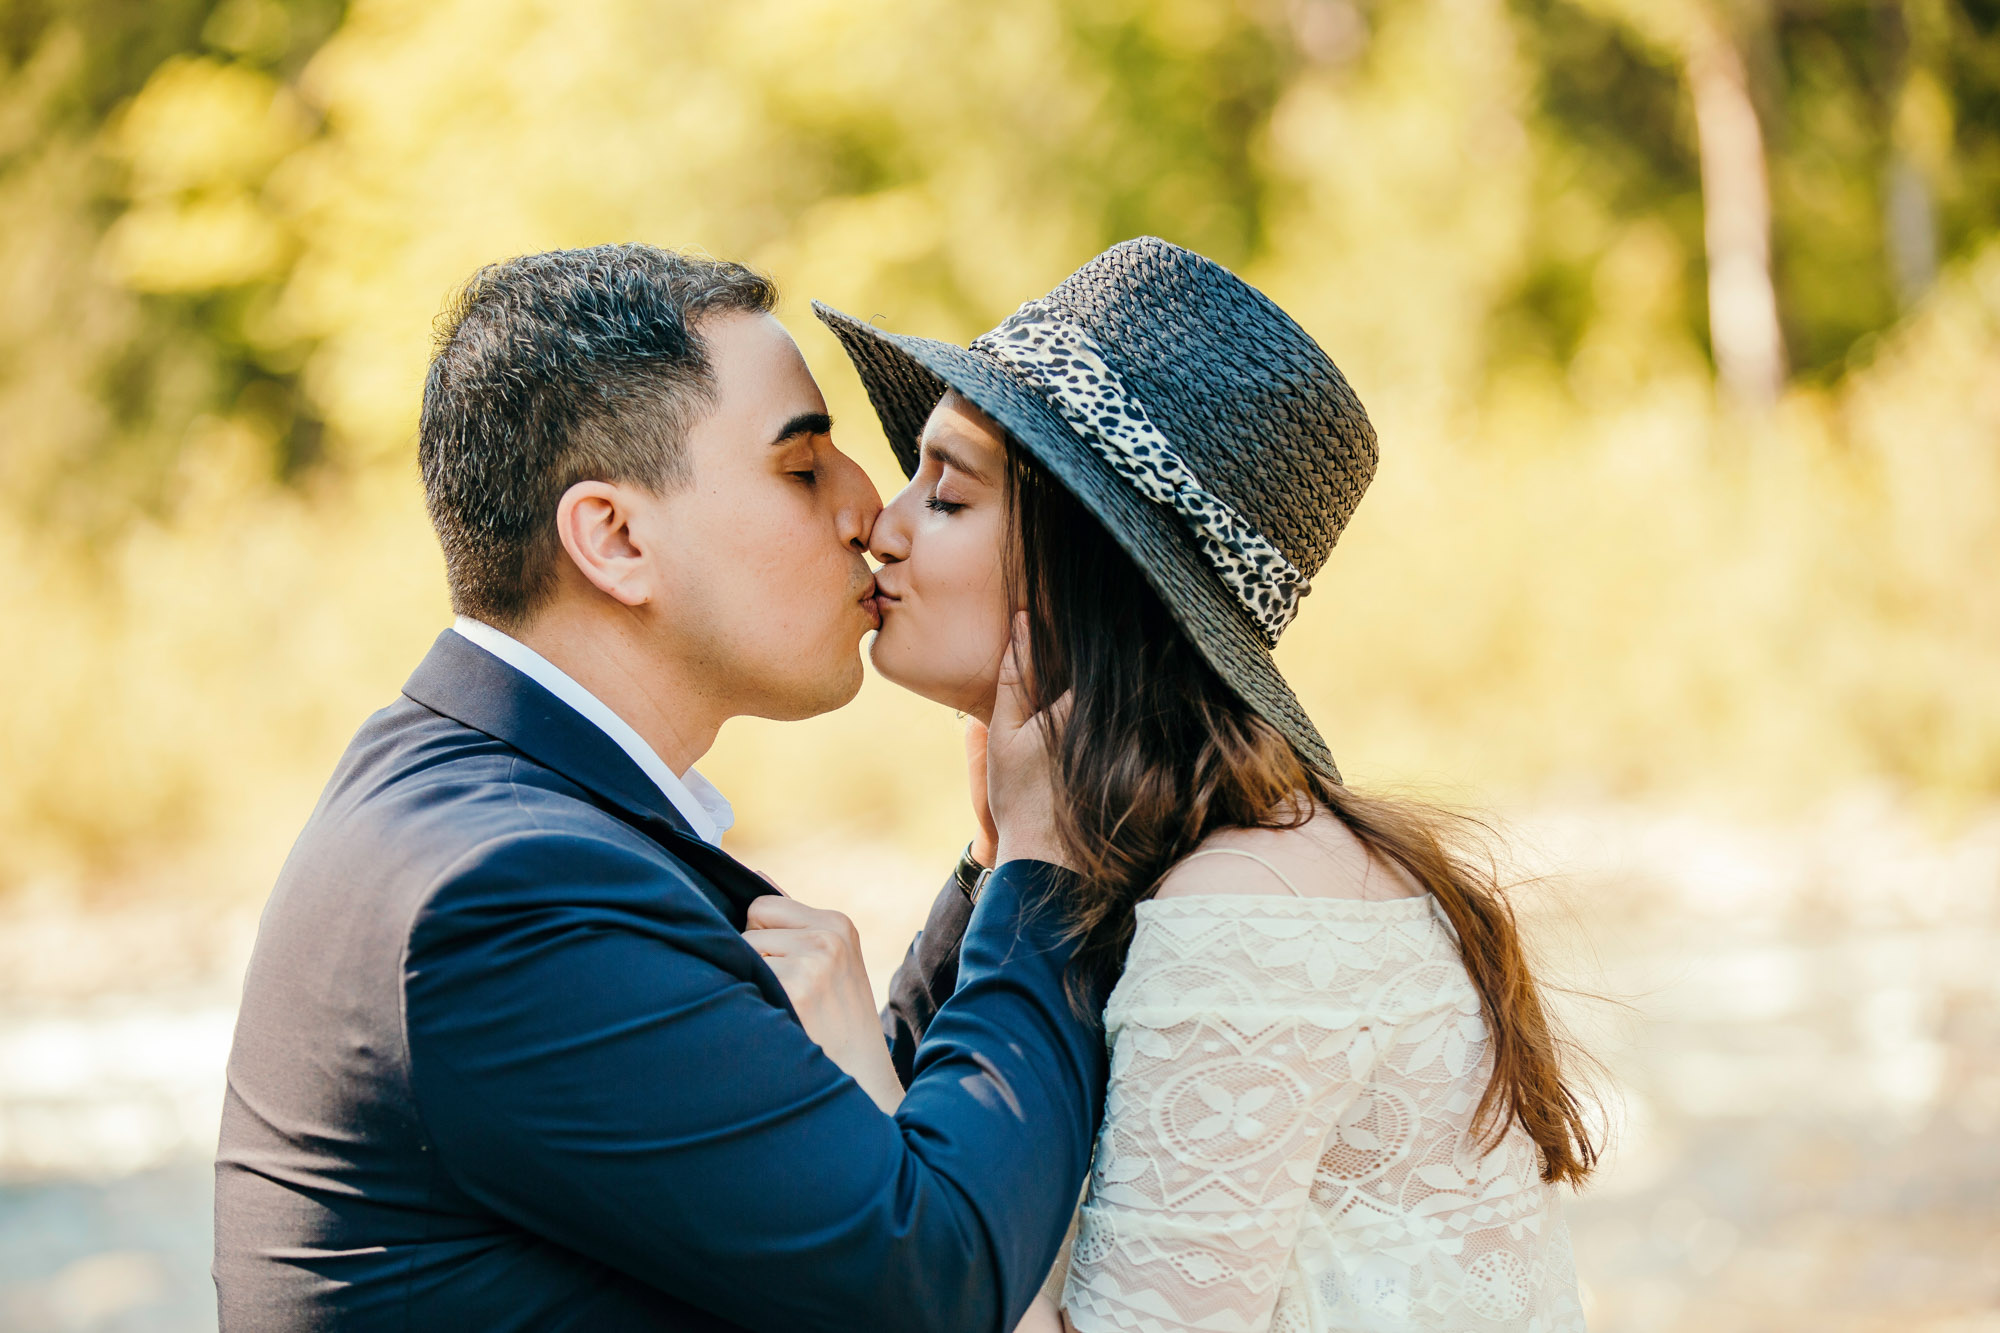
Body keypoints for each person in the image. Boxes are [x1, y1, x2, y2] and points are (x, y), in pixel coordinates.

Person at [212, 244, 1105, 1332]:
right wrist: (1046, 877)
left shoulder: (469, 793)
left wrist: (992, 865)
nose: (866, 512)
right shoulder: (509, 894)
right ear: (615, 538)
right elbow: (932, 1278)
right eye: (802, 466)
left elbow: (803, 1162)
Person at [810, 236, 1597, 1332]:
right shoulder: (1130, 851)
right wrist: (1003, 860)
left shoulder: (1247, 902)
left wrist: (849, 1061)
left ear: (1093, 568)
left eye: (947, 496)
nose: (878, 529)